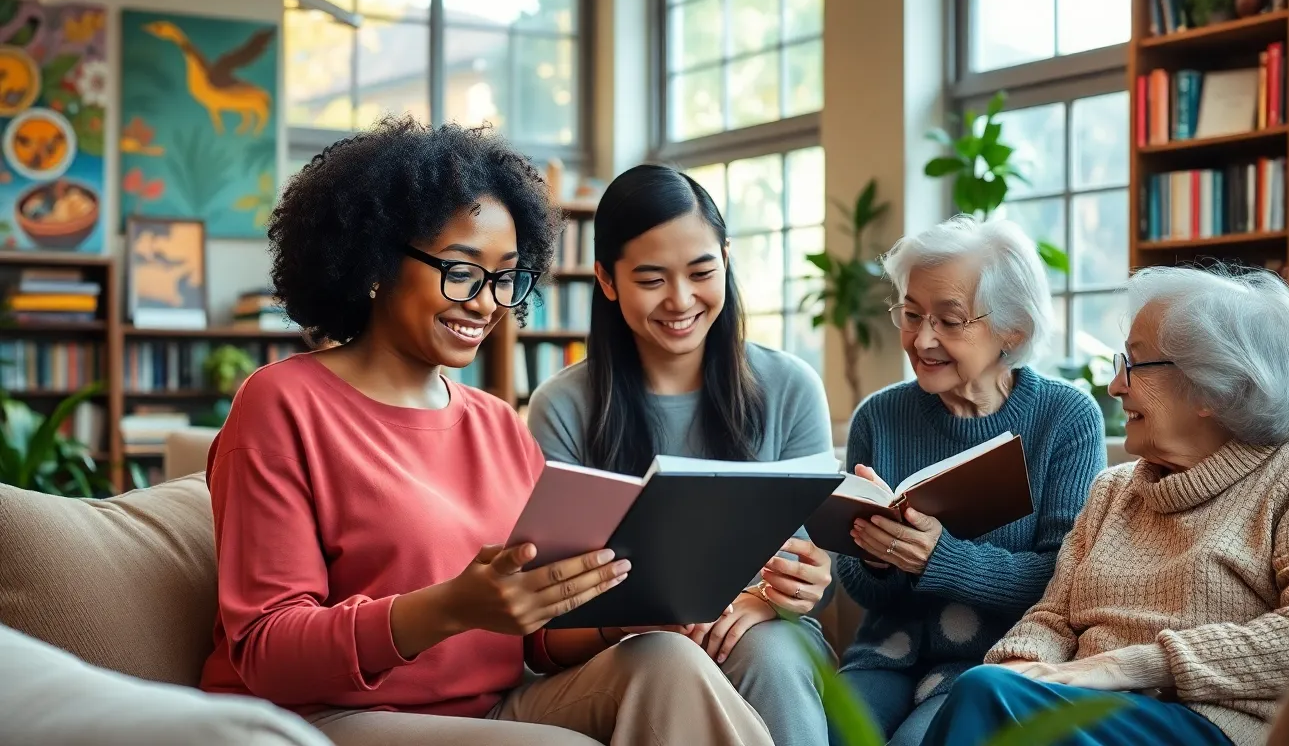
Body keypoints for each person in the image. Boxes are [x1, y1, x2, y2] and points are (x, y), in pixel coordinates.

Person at [199, 117, 774, 746]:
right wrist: (447, 609)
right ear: (376, 260)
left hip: (490, 713)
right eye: (461, 269)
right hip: (328, 719)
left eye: (505, 276)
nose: (485, 303)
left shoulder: (497, 423)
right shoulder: (282, 403)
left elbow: (540, 639)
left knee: (669, 665)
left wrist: (626, 615)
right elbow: (265, 648)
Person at [923, 264, 1289, 746]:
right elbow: (1054, 616)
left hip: (1209, 724)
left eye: (1134, 365)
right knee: (987, 691)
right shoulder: (1114, 489)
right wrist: (1020, 672)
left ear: (1213, 384)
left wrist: (1124, 666)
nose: (1115, 386)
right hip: (1082, 713)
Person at [527, 163, 837, 746]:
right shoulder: (562, 407)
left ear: (726, 257)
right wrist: (634, 619)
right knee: (670, 657)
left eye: (701, 271)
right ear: (607, 279)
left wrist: (785, 591)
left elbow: (811, 561)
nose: (681, 300)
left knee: (768, 652)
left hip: (759, 629)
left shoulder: (791, 387)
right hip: (625, 648)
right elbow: (548, 623)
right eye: (651, 279)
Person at [833, 216, 1106, 746]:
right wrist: (871, 553)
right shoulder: (878, 418)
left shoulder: (1066, 418)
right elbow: (860, 586)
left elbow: (1067, 581)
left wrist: (939, 561)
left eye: (950, 321)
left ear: (1013, 330)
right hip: (884, 655)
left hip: (993, 663)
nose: (922, 338)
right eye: (911, 314)